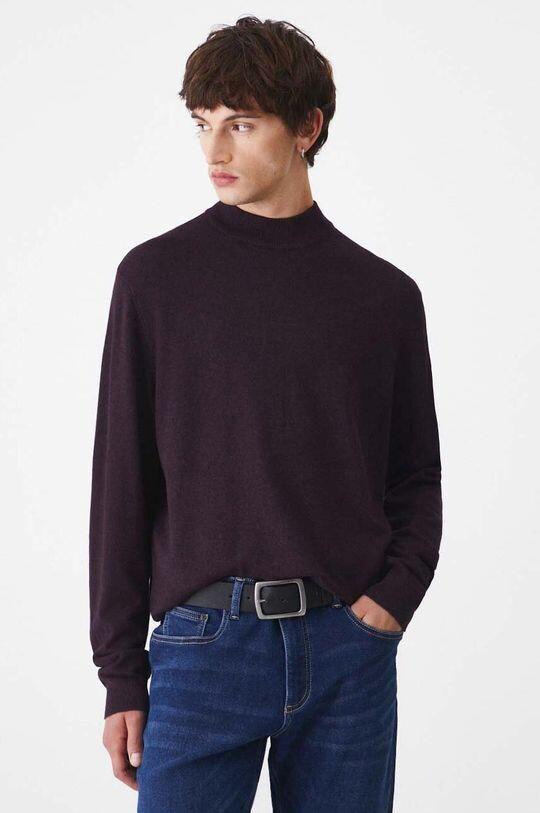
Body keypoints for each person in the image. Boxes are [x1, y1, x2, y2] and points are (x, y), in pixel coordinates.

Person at [89, 15, 443, 812]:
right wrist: (120, 674)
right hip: (203, 646)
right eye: (203, 124)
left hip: (348, 649)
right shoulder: (155, 280)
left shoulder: (384, 297)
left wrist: (390, 600)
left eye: (241, 125)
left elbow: (415, 474)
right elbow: (121, 483)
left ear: (307, 127)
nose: (214, 151)